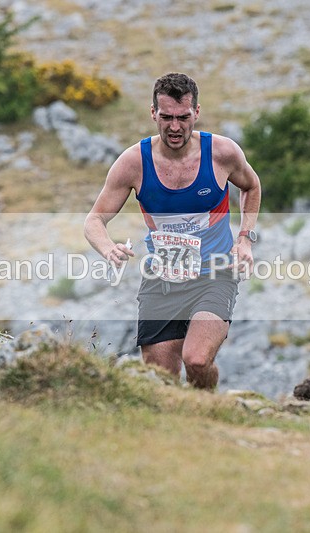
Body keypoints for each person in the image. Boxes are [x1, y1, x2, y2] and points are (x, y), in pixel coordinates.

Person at [84, 72, 261, 390]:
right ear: (153, 113)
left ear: (197, 113)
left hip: (215, 273)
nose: (175, 127)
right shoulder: (134, 163)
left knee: (197, 360)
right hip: (162, 279)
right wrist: (108, 248)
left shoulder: (222, 153)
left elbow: (252, 186)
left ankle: (206, 406)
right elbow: (94, 220)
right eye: (166, 117)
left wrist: (245, 239)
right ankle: (180, 418)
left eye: (183, 117)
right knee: (160, 379)